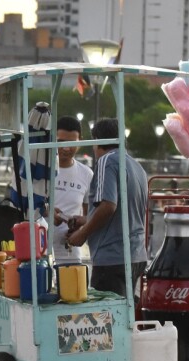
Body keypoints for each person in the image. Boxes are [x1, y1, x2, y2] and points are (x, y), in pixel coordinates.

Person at [66, 118, 148, 296]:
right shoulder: (137, 167)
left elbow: (109, 206)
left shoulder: (106, 161)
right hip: (136, 256)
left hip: (112, 257)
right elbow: (123, 212)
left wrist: (81, 234)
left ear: (97, 141)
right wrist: (85, 220)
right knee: (126, 316)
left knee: (107, 319)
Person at [51, 116, 93, 264]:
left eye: (71, 143)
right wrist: (47, 211)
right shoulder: (40, 170)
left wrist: (80, 229)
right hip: (40, 247)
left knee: (71, 287)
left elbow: (91, 215)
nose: (66, 148)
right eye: (61, 142)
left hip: (69, 250)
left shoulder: (87, 174)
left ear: (80, 141)